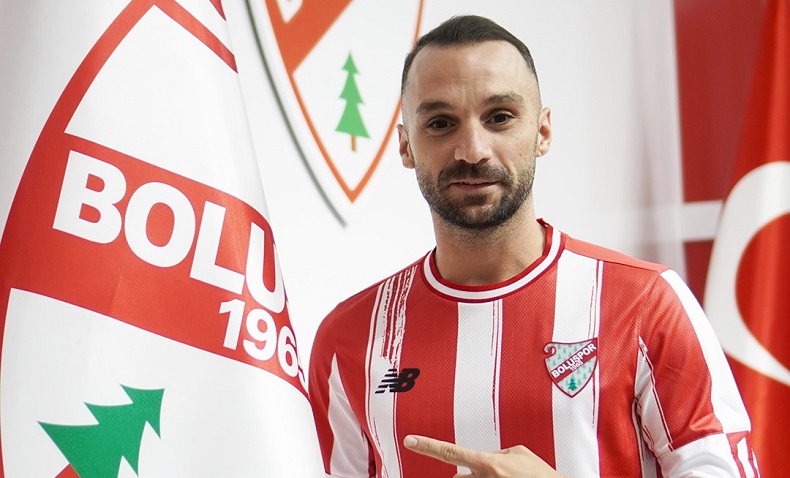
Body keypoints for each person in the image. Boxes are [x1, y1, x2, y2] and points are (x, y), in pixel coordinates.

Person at [308, 14, 759, 478]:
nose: (472, 150)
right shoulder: (348, 340)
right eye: (441, 123)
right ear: (406, 146)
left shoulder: (645, 302)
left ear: (542, 131)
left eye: (499, 117)